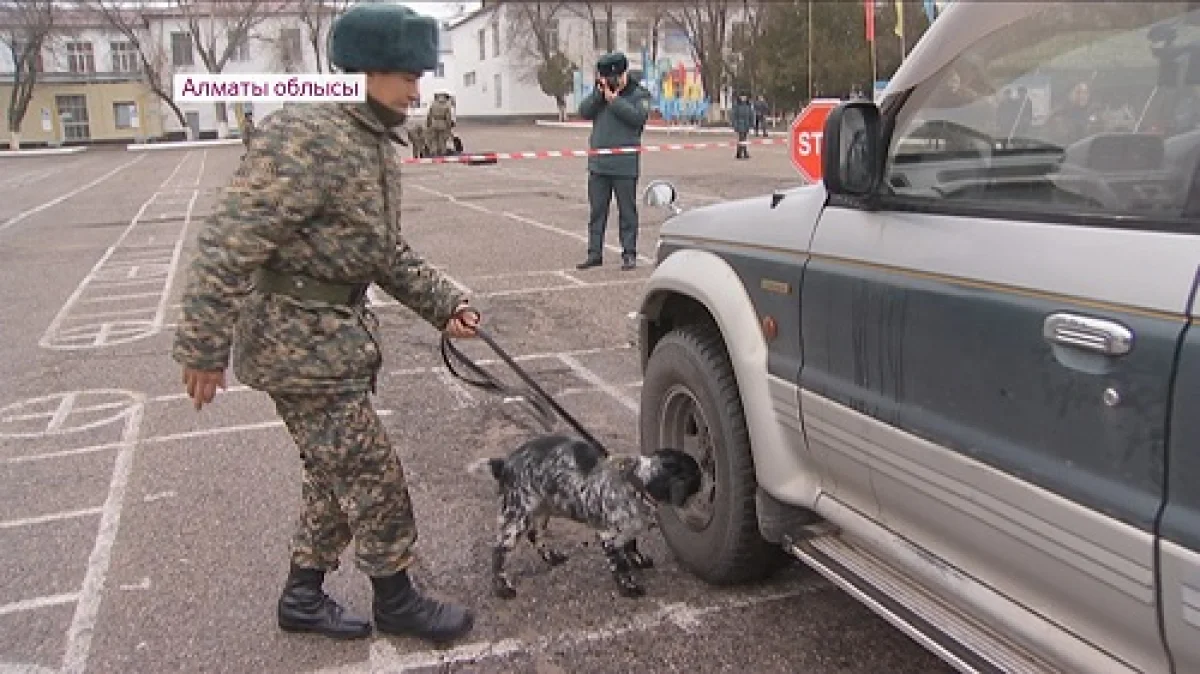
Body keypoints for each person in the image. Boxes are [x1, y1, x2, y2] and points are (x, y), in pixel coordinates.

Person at [170, 2, 479, 645]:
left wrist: (445, 303)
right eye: (406, 77)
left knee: (331, 473)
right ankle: (397, 598)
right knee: (372, 473)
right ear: (364, 70)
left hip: (334, 339)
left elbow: (381, 250)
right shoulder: (307, 135)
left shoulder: (367, 138)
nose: (416, 92)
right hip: (298, 344)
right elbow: (231, 240)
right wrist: (203, 344)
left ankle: (302, 596)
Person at [577, 51, 653, 271]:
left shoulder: (639, 94)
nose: (611, 82)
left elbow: (638, 119)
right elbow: (583, 112)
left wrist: (615, 101)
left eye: (614, 78)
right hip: (599, 164)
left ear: (623, 74)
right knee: (597, 211)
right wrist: (599, 96)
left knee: (627, 212)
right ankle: (594, 253)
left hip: (625, 165)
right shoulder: (600, 94)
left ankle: (629, 253)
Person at [426, 91, 454, 156]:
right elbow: (448, 117)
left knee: (434, 139)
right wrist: (449, 126)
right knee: (442, 140)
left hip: (434, 123)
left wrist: (428, 124)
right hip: (443, 123)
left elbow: (429, 115)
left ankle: (433, 152)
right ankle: (442, 153)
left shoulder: (433, 104)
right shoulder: (447, 105)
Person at [731, 92, 755, 160]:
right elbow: (734, 116)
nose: (743, 98)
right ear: (740, 97)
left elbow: (751, 115)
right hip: (740, 124)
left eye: (745, 97)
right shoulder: (737, 106)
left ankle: (739, 153)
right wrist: (735, 125)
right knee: (742, 139)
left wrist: (751, 124)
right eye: (742, 97)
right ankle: (744, 153)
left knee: (744, 139)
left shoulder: (748, 106)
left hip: (746, 125)